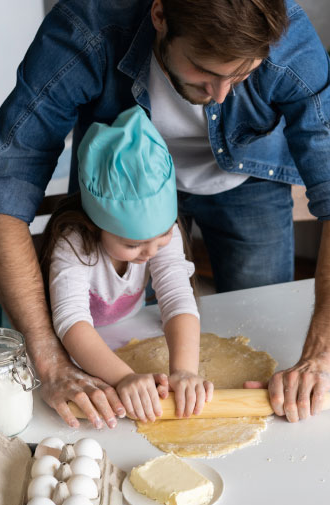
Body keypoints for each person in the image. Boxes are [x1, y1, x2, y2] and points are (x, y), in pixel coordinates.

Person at [0, 0, 330, 428]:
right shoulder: (88, 25)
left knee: (261, 323)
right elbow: (5, 189)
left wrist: (319, 361)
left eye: (243, 75)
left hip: (248, 180)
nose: (221, 95)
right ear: (160, 16)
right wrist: (52, 364)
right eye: (205, 71)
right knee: (128, 337)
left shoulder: (286, 40)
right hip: (122, 183)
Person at [41, 105, 212, 425]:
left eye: (161, 236)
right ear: (95, 224)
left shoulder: (163, 234)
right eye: (132, 245)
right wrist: (124, 378)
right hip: (64, 345)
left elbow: (177, 297)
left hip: (124, 328)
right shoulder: (73, 243)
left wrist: (185, 371)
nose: (149, 251)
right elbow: (72, 323)